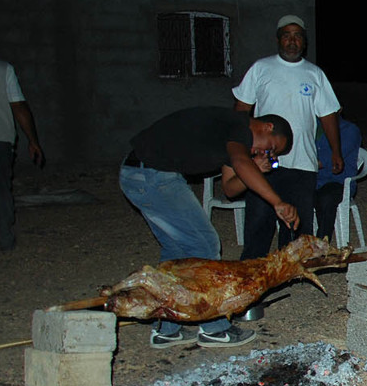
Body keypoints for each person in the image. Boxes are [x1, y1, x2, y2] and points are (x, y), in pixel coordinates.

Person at [119, 107, 296, 349]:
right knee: (204, 244)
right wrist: (277, 201)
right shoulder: (238, 125)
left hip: (140, 174)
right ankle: (215, 328)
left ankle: (167, 329)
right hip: (153, 176)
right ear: (267, 127)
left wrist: (254, 168)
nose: (266, 153)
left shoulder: (233, 143)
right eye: (271, 147)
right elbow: (241, 163)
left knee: (176, 251)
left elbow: (230, 188)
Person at [232, 15, 343, 259]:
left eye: (297, 36)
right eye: (286, 36)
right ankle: (252, 270)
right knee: (259, 221)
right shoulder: (261, 68)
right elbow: (241, 111)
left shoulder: (314, 74)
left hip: (302, 162)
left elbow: (328, 116)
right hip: (265, 162)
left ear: (304, 42)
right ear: (278, 40)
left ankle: (292, 272)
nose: (292, 41)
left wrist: (336, 151)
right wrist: (241, 150)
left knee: (297, 227)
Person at [0, 23, 43, 265]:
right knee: (1, 190)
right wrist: (33, 140)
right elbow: (19, 106)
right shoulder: (2, 69)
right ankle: (6, 240)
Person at [314, 115, 363, 241]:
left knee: (326, 198)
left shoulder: (349, 130)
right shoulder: (312, 126)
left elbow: (325, 161)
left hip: (338, 181)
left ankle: (321, 243)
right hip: (314, 179)